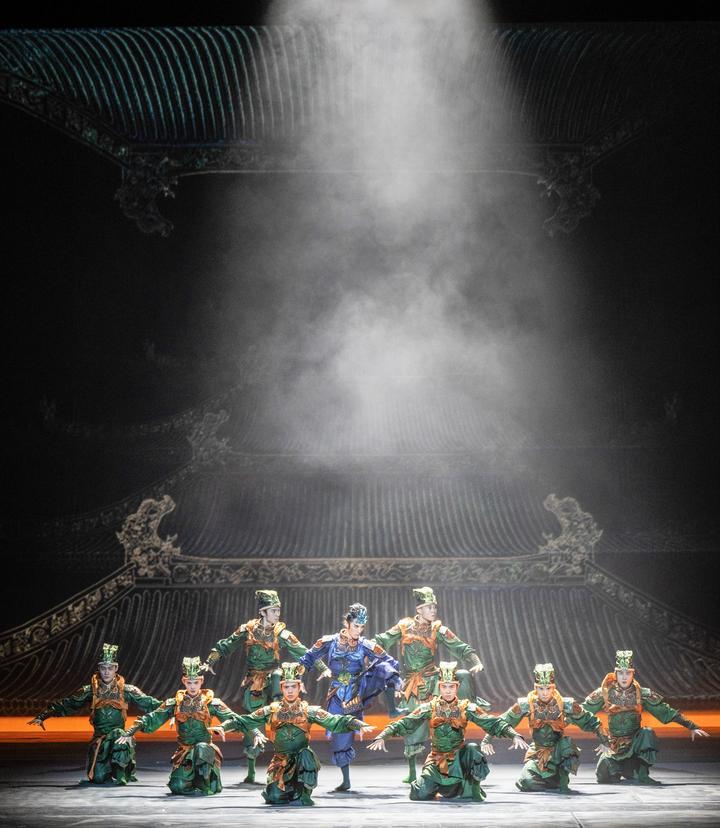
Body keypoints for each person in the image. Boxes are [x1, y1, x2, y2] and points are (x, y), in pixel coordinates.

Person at [201, 589, 327, 782]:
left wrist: (322, 667)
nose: (277, 614)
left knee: (284, 716)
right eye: (273, 610)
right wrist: (210, 661)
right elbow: (227, 644)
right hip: (255, 682)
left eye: (278, 610)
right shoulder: (248, 629)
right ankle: (251, 771)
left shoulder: (281, 633)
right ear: (263, 611)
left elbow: (303, 651)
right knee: (254, 722)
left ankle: (287, 766)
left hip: (276, 682)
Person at [368, 661, 528, 801]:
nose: (448, 690)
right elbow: (406, 722)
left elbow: (492, 722)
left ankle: (471, 787)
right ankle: (436, 785)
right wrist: (383, 735)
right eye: (444, 687)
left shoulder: (466, 707)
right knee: (419, 794)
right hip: (437, 759)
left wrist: (513, 734)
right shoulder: (429, 707)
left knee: (473, 749)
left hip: (458, 758)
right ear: (439, 687)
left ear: (457, 687)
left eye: (451, 686)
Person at [375, 586, 485, 782]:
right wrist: (366, 650)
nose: (433, 610)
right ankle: (412, 771)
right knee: (412, 724)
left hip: (434, 682)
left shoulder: (438, 629)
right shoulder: (403, 626)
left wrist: (476, 662)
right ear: (419, 609)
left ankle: (448, 765)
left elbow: (460, 646)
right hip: (412, 683)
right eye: (429, 607)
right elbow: (382, 640)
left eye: (435, 607)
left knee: (445, 718)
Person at [117, 656, 266, 795]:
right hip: (185, 751)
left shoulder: (211, 703)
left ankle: (205, 782)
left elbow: (237, 719)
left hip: (204, 752)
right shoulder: (175, 703)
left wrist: (256, 733)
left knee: (201, 749)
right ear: (184, 681)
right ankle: (191, 780)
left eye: (196, 682)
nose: (193, 686)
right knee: (177, 787)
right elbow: (153, 717)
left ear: (201, 681)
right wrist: (131, 731)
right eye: (189, 682)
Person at [233, 662, 375, 805]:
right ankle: (284, 790)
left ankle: (303, 793)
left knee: (306, 756)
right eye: (286, 687)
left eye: (293, 686)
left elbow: (334, 721)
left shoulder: (308, 710)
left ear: (299, 687)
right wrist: (226, 726)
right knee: (275, 797)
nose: (290, 691)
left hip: (302, 760)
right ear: (281, 688)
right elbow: (247, 720)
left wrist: (357, 723)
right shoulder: (272, 710)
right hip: (281, 761)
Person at [299, 602, 402, 792]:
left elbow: (388, 661)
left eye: (362, 626)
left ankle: (392, 709)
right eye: (356, 625)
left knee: (384, 669)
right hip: (336, 693)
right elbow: (308, 657)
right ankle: (345, 779)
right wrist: (299, 678)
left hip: (356, 692)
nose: (359, 630)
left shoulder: (365, 645)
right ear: (347, 623)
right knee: (339, 737)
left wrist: (395, 680)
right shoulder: (329, 642)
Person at [28, 643, 161, 785]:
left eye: (110, 668)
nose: (106, 672)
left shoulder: (127, 690)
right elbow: (68, 704)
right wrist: (43, 716)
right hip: (100, 739)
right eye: (103, 668)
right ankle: (107, 768)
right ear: (99, 669)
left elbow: (150, 703)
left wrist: (172, 708)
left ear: (116, 668)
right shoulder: (90, 691)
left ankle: (123, 771)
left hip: (119, 739)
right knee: (98, 778)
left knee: (119, 735)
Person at [582, 650, 710, 784]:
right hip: (613, 745)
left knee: (647, 733)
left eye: (628, 673)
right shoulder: (605, 693)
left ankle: (642, 773)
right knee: (603, 777)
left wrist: (690, 725)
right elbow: (582, 712)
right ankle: (621, 770)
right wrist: (568, 720)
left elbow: (666, 711)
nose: (624, 677)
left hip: (635, 744)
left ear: (633, 674)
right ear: (615, 674)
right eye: (621, 673)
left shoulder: (642, 694)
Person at [482, 662, 607, 793]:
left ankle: (559, 778)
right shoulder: (527, 704)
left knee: (567, 748)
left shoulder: (565, 704)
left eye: (548, 688)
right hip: (538, 751)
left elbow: (589, 720)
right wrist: (487, 739)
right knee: (527, 782)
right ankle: (547, 778)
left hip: (558, 751)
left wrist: (604, 740)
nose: (545, 693)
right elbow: (503, 721)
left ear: (553, 688)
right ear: (536, 688)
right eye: (541, 688)